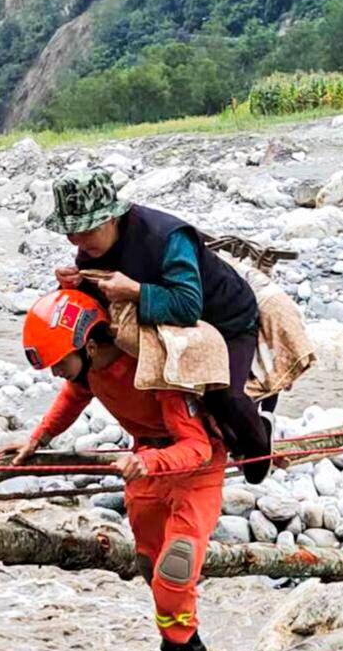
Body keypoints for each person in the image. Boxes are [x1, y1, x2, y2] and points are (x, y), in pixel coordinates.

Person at [13, 289, 221, 651]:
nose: (57, 373)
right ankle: (188, 641)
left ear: (89, 345)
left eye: (59, 364)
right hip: (145, 462)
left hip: (195, 471)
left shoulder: (153, 366)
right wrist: (36, 440)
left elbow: (196, 446)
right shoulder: (89, 372)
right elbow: (73, 396)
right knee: (149, 563)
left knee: (175, 568)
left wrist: (148, 463)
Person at [46, 170, 275, 483]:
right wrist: (72, 288)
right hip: (169, 326)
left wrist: (137, 291)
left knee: (223, 396)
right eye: (71, 234)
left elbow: (188, 305)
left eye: (86, 232)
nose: (78, 242)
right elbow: (97, 304)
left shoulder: (166, 237)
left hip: (226, 318)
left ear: (111, 218)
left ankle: (260, 442)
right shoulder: (91, 250)